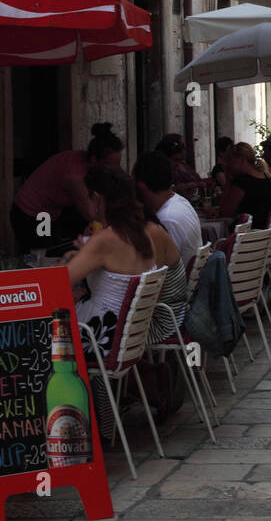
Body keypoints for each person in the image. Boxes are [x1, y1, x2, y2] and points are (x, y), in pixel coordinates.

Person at [68, 165, 186, 358]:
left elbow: (59, 283)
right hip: (132, 332)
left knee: (41, 332)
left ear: (96, 198)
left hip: (105, 336)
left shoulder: (104, 240)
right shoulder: (144, 231)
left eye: (86, 197)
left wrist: (70, 257)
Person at [12, 123, 123, 252]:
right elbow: (92, 215)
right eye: (110, 164)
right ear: (94, 160)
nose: (116, 170)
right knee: (41, 255)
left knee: (55, 247)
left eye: (117, 164)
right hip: (33, 214)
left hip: (52, 212)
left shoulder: (91, 167)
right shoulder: (73, 174)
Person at [134, 151, 203, 270]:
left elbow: (157, 270)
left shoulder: (166, 218)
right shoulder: (180, 201)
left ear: (141, 187)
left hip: (178, 284)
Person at [216, 142, 271, 228]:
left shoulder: (242, 182)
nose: (227, 165)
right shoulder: (266, 177)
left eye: (229, 161)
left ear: (242, 160)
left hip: (253, 236)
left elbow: (225, 212)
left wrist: (228, 178)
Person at [154, 134, 204, 201]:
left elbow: (199, 181)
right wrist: (184, 186)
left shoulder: (183, 165)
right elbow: (160, 191)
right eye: (182, 146)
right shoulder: (164, 168)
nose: (185, 149)